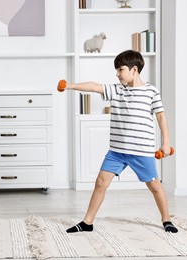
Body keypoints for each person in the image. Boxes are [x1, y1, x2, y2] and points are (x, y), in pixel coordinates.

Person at [61, 50, 178, 233]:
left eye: (120, 69)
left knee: (154, 185)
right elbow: (94, 87)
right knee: (101, 182)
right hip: (117, 151)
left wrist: (166, 142)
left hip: (142, 151)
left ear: (134, 70)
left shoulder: (151, 91)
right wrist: (70, 85)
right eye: (116, 70)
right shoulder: (117, 90)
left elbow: (161, 116)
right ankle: (87, 222)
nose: (117, 74)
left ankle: (166, 220)